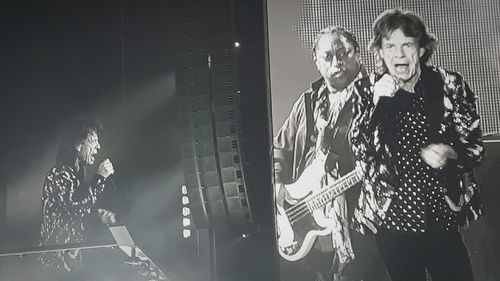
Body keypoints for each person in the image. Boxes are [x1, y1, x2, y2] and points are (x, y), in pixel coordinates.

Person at [350, 9, 485, 281]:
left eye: (407, 45)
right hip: (393, 221)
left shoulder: (449, 84)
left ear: (421, 49)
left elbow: (475, 146)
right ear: (380, 52)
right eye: (390, 46)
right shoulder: (366, 91)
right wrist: (376, 105)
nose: (399, 55)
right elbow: (360, 150)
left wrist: (452, 153)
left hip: (442, 216)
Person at [274, 26, 388, 281]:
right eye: (327, 56)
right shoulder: (307, 102)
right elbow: (280, 148)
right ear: (316, 62)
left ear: (357, 54)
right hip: (311, 230)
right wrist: (278, 184)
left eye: (343, 53)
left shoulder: (379, 96)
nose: (336, 62)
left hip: (363, 222)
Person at [39, 118, 116, 279]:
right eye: (93, 140)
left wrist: (97, 215)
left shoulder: (76, 175)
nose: (98, 147)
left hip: (72, 261)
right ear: (77, 144)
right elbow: (75, 209)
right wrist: (100, 177)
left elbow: (79, 211)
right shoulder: (59, 174)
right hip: (56, 265)